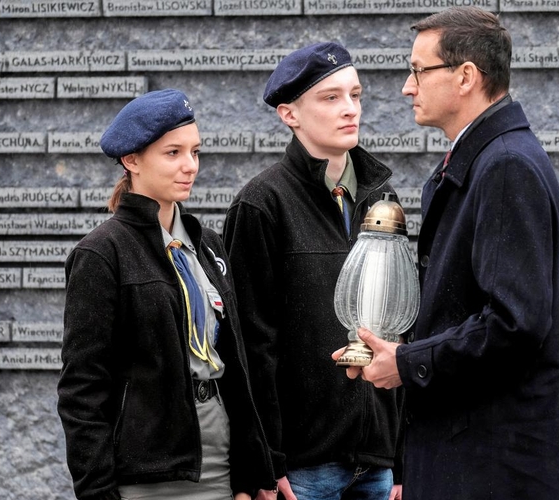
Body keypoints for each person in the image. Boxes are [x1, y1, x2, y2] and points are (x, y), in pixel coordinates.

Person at [334, 8, 559, 499]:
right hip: (469, 459)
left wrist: (408, 362)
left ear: (466, 76)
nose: (407, 86)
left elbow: (514, 324)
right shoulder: (485, 161)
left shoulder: (505, 166)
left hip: (489, 469)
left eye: (419, 70)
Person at [57, 89, 276, 500]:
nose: (189, 166)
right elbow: (82, 391)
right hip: (147, 476)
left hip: (221, 461)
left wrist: (253, 469)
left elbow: (238, 363)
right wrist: (97, 492)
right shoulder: (102, 254)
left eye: (195, 152)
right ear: (132, 160)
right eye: (173, 153)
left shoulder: (207, 244)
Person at [223, 43, 403, 500]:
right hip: (303, 467)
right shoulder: (261, 204)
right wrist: (266, 459)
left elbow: (403, 325)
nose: (350, 109)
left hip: (378, 461)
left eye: (356, 95)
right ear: (289, 114)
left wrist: (401, 454)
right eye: (330, 98)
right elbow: (251, 345)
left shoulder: (383, 200)